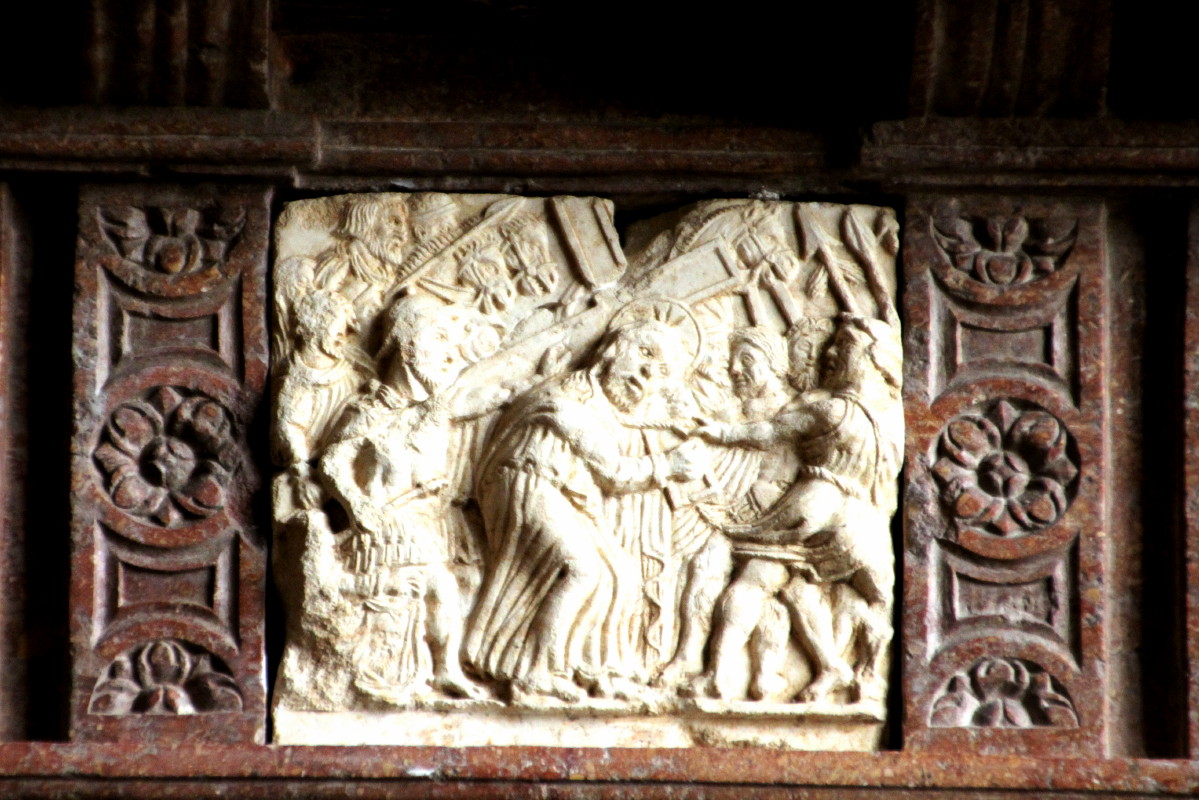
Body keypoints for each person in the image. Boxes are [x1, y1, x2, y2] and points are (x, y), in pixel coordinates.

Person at [465, 307, 704, 702]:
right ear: (611, 350)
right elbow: (612, 471)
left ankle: (597, 672)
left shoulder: (603, 407)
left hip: (560, 493)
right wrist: (669, 465)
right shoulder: (566, 396)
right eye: (645, 352)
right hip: (526, 483)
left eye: (662, 372)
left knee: (621, 575)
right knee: (581, 569)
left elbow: (624, 432)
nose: (648, 372)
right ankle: (536, 673)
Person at [692, 315, 902, 703]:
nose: (831, 352)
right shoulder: (891, 421)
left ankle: (715, 675)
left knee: (751, 579)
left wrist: (720, 432)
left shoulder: (833, 410)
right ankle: (840, 669)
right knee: (803, 587)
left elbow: (769, 431)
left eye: (844, 346)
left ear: (873, 358)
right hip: (865, 523)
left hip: (817, 505)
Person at [319, 294, 491, 701]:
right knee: (435, 586)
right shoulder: (370, 410)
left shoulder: (435, 408)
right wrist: (357, 505)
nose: (448, 354)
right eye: (439, 339)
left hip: (417, 526)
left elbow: (490, 391)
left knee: (448, 587)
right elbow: (331, 461)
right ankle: (428, 671)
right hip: (377, 528)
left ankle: (445, 671)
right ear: (407, 344)